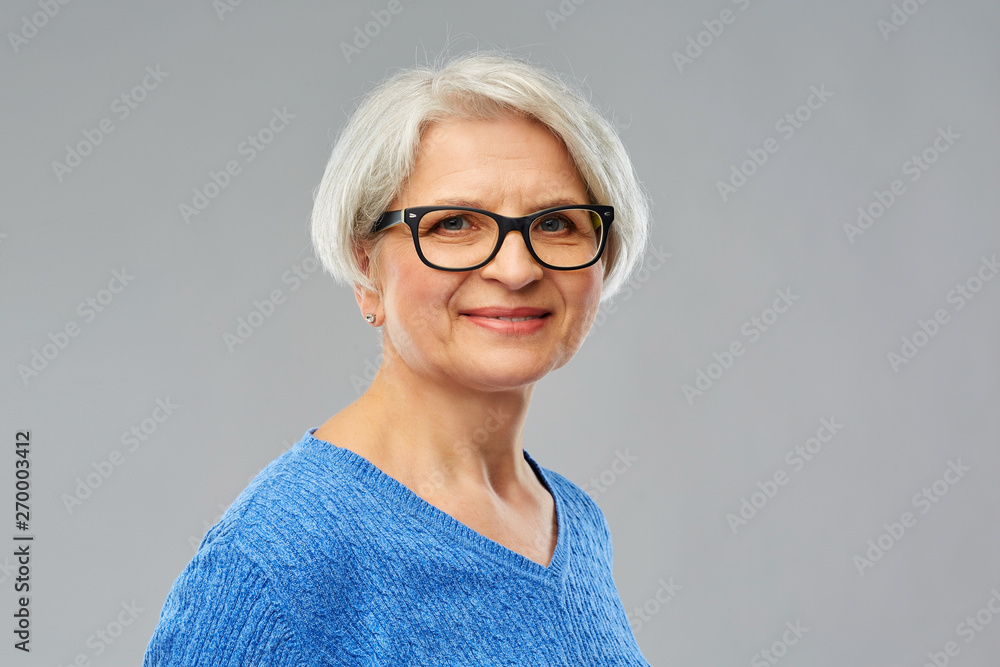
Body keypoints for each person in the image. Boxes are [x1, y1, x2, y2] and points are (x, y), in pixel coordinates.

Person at [143, 50, 652, 666]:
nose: (517, 269)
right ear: (365, 265)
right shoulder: (281, 556)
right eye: (454, 224)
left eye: (556, 223)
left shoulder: (573, 522)